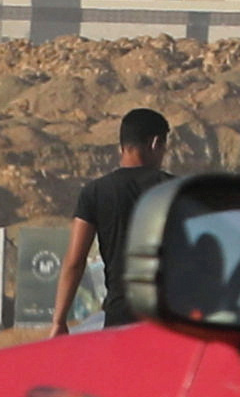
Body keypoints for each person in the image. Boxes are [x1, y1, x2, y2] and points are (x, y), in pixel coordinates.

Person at [46, 109, 169, 332]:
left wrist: (59, 320)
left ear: (121, 146)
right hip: (167, 318)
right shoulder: (173, 190)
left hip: (119, 315)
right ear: (155, 143)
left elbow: (75, 261)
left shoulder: (95, 191)